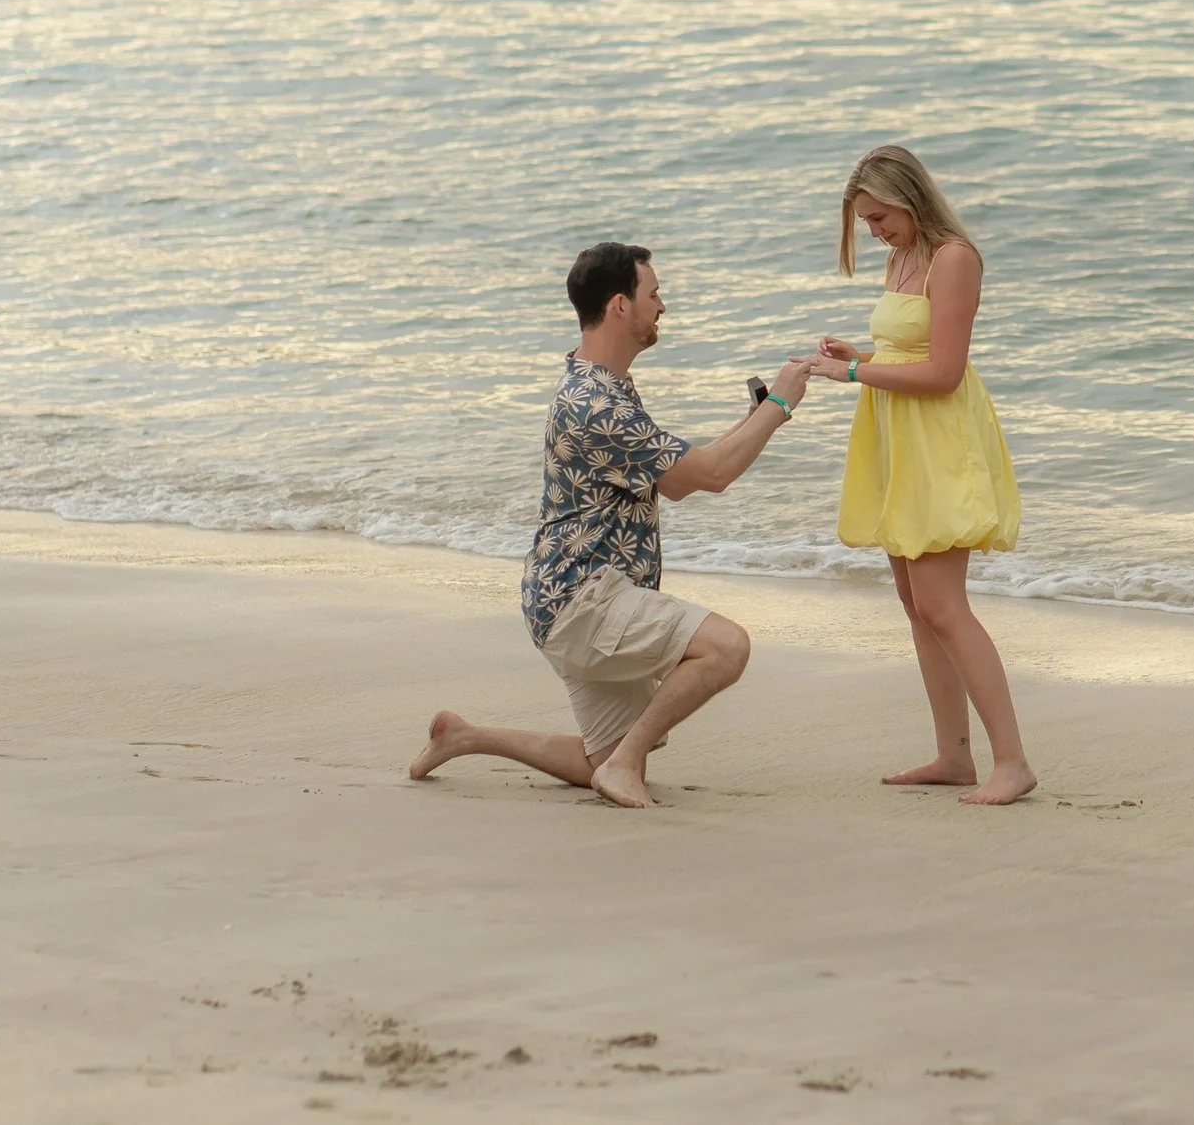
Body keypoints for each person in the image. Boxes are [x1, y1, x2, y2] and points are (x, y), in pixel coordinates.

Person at [411, 241, 811, 809]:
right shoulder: (597, 404)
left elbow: (677, 481)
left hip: (564, 601)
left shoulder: (600, 384)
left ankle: (466, 736)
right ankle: (622, 763)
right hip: (586, 602)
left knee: (598, 761)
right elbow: (714, 475)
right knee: (728, 649)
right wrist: (783, 406)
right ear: (621, 305)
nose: (663, 306)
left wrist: (753, 420)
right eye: (654, 294)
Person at [796, 146, 1036, 805]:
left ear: (907, 199)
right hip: (899, 433)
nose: (876, 232)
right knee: (915, 604)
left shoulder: (953, 257)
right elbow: (910, 348)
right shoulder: (901, 257)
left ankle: (1011, 761)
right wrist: (863, 354)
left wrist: (850, 373)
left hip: (938, 437)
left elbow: (944, 372)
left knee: (942, 604)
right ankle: (953, 757)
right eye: (867, 223)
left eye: (879, 218)